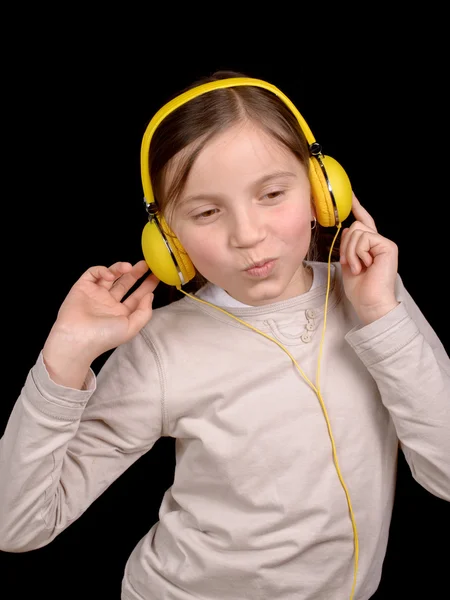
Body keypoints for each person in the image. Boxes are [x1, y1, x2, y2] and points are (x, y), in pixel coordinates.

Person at [0, 69, 449, 600]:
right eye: (207, 211)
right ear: (168, 240)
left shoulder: (376, 300)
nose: (247, 234)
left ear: (324, 192)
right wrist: (65, 357)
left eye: (273, 193)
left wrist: (380, 315)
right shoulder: (160, 348)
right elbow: (19, 526)